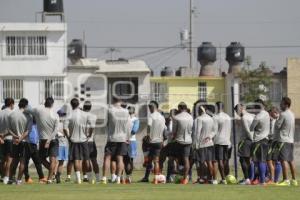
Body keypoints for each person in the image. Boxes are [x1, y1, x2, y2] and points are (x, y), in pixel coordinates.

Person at [28, 97, 59, 184]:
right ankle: (51, 177)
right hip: (53, 139)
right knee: (53, 160)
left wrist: (47, 141)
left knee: (42, 159)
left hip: (43, 140)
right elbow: (56, 130)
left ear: (44, 103)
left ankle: (51, 176)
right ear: (52, 104)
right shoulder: (55, 115)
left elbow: (29, 110)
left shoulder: (39, 111)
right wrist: (50, 140)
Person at [101, 98, 131, 184]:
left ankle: (104, 178)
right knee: (120, 159)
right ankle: (118, 178)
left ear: (112, 101)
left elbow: (105, 124)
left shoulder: (110, 110)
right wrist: (127, 137)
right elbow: (129, 126)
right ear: (121, 102)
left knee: (107, 158)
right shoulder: (126, 112)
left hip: (112, 138)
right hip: (122, 138)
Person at [63, 98, 93, 184]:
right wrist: (89, 135)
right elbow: (92, 126)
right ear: (79, 104)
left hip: (74, 140)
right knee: (86, 159)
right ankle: (89, 177)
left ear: (71, 105)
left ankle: (78, 179)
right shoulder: (85, 114)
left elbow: (64, 128)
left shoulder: (69, 115)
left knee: (76, 159)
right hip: (84, 140)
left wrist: (68, 137)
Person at [274, 97, 297, 186]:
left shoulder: (283, 114)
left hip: (283, 140)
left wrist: (277, 117)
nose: (280, 104)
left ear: (286, 105)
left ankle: (285, 180)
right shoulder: (292, 114)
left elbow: (277, 126)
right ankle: (294, 180)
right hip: (290, 140)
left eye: (282, 103)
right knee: (290, 160)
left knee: (283, 160)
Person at [7, 98, 31, 185]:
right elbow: (27, 131)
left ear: (19, 105)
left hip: (14, 140)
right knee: (22, 161)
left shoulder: (11, 114)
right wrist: (20, 138)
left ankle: (10, 179)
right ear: (26, 106)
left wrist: (15, 137)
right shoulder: (28, 116)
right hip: (24, 141)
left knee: (14, 160)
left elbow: (9, 129)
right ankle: (19, 180)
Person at [193, 105, 217, 185]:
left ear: (199, 111)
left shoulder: (199, 119)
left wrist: (196, 145)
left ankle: (204, 178)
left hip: (202, 144)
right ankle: (212, 179)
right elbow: (214, 131)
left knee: (202, 162)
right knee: (210, 162)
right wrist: (210, 137)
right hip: (210, 143)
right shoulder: (211, 118)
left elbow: (197, 133)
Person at [142, 101, 165, 184]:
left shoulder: (151, 116)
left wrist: (148, 135)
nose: (149, 109)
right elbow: (164, 129)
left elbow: (149, 126)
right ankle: (151, 178)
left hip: (151, 141)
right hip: (159, 141)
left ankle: (152, 178)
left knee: (151, 161)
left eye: (149, 108)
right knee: (155, 161)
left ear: (152, 107)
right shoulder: (162, 117)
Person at [250, 99, 270, 185]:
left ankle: (261, 180)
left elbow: (251, 128)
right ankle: (263, 178)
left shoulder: (257, 116)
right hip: (266, 139)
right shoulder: (266, 114)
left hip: (258, 140)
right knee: (263, 160)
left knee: (257, 161)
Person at [172, 102, 193, 184]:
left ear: (179, 108)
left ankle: (178, 175)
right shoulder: (190, 117)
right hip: (188, 140)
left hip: (178, 140)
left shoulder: (176, 117)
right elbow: (191, 129)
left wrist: (173, 138)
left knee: (177, 159)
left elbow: (174, 131)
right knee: (186, 159)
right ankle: (185, 178)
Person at [234, 104, 255, 185]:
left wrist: (251, 139)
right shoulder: (252, 116)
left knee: (242, 160)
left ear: (241, 109)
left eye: (236, 111)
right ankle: (249, 178)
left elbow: (247, 130)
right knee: (248, 160)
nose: (236, 113)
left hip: (245, 140)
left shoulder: (244, 117)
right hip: (252, 140)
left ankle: (247, 179)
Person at [24, 117, 47, 184]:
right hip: (28, 144)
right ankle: (27, 178)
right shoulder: (28, 124)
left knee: (38, 162)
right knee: (26, 162)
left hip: (34, 145)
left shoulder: (37, 125)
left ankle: (41, 178)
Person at [213, 102, 232, 184]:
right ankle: (227, 177)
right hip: (227, 140)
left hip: (219, 140)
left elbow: (214, 130)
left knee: (219, 160)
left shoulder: (216, 117)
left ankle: (223, 179)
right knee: (226, 160)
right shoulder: (228, 117)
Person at [82, 101, 99, 183]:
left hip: (84, 140)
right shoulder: (94, 116)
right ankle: (98, 178)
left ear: (83, 107)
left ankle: (89, 177)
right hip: (92, 140)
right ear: (90, 107)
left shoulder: (81, 116)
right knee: (94, 160)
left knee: (86, 160)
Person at [123, 106, 140, 183]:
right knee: (130, 160)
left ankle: (121, 177)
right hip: (131, 141)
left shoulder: (124, 119)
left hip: (123, 140)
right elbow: (134, 130)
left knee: (124, 160)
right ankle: (128, 177)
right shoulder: (136, 120)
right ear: (134, 111)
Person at [0, 98, 15, 184]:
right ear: (11, 104)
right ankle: (6, 177)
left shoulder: (0, 113)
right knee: (9, 160)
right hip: (9, 138)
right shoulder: (12, 113)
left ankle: (2, 176)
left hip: (1, 139)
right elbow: (12, 128)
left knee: (3, 160)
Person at [266, 106, 281, 184]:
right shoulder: (272, 120)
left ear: (274, 112)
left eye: (271, 113)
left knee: (272, 160)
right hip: (272, 141)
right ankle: (274, 179)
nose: (269, 115)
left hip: (275, 141)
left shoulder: (279, 119)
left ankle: (274, 179)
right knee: (273, 161)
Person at [56, 110, 69, 184]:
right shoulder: (57, 122)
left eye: (63, 115)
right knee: (56, 161)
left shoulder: (65, 123)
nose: (63, 116)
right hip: (58, 144)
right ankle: (54, 175)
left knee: (62, 161)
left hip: (64, 144)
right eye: (61, 115)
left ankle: (58, 176)